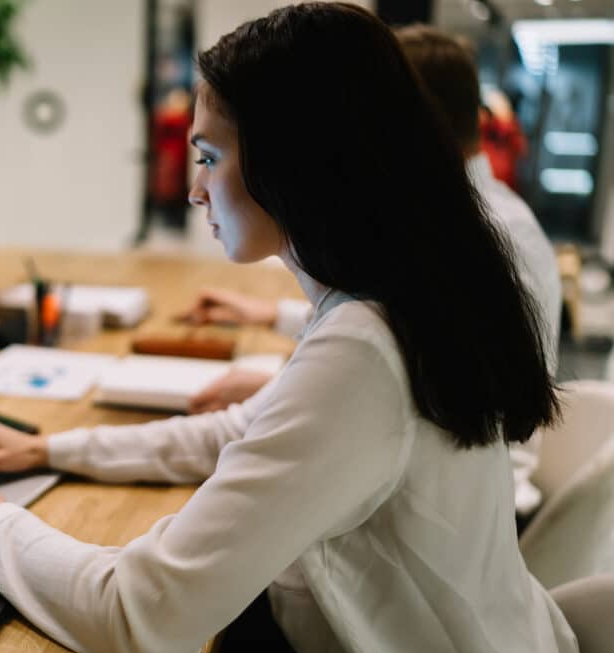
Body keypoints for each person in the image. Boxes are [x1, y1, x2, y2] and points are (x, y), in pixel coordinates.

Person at [0, 5, 583, 653]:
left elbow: (142, 614)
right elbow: (241, 431)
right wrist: (47, 450)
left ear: (295, 162)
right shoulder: (397, 298)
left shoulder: (365, 349)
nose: (194, 190)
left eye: (210, 156)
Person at [181, 25, 562, 518]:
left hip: (480, 507)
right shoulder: (458, 219)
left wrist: (288, 386)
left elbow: (390, 364)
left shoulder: (482, 228)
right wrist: (278, 336)